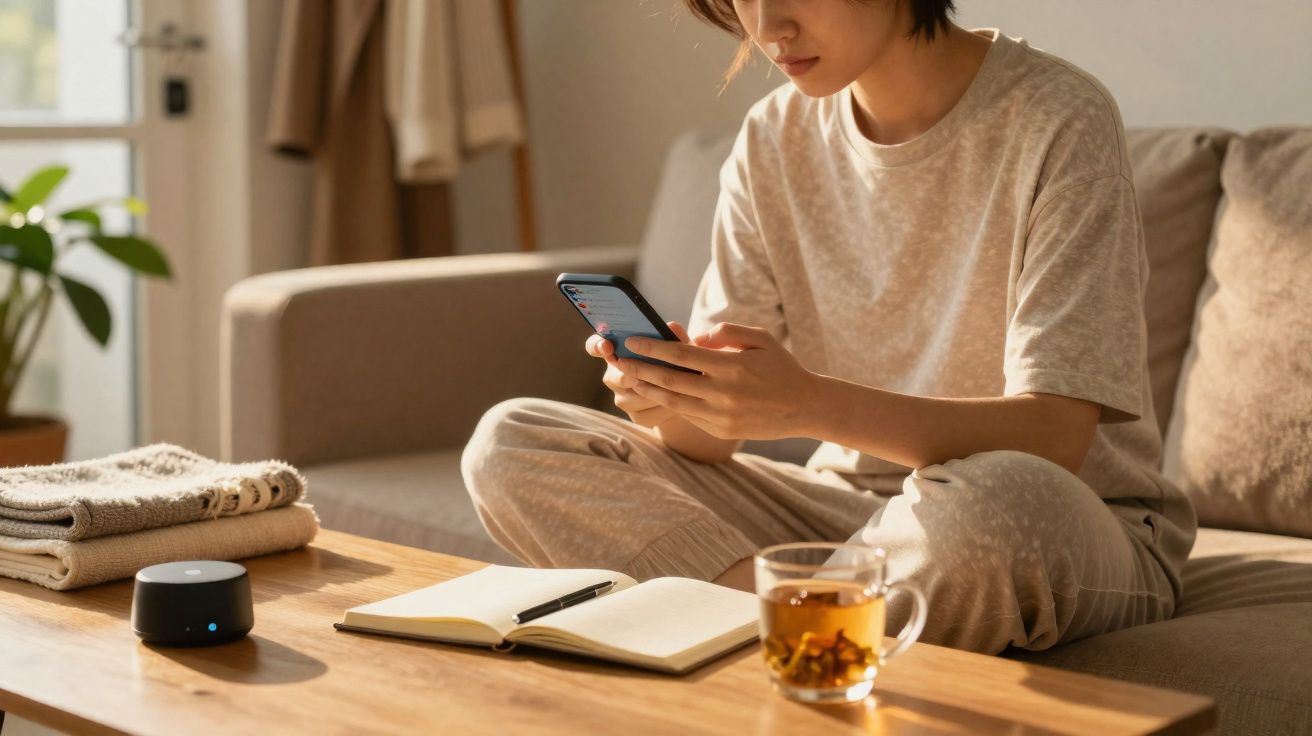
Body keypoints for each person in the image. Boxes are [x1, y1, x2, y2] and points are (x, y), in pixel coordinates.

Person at [462, 0, 1197, 654]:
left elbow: (1056, 439)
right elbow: (708, 443)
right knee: (513, 439)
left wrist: (803, 403)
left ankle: (759, 636)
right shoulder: (772, 138)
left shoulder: (1059, 117)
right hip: (847, 518)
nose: (767, 26)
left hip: (1064, 520)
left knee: (994, 502)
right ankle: (794, 635)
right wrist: (671, 396)